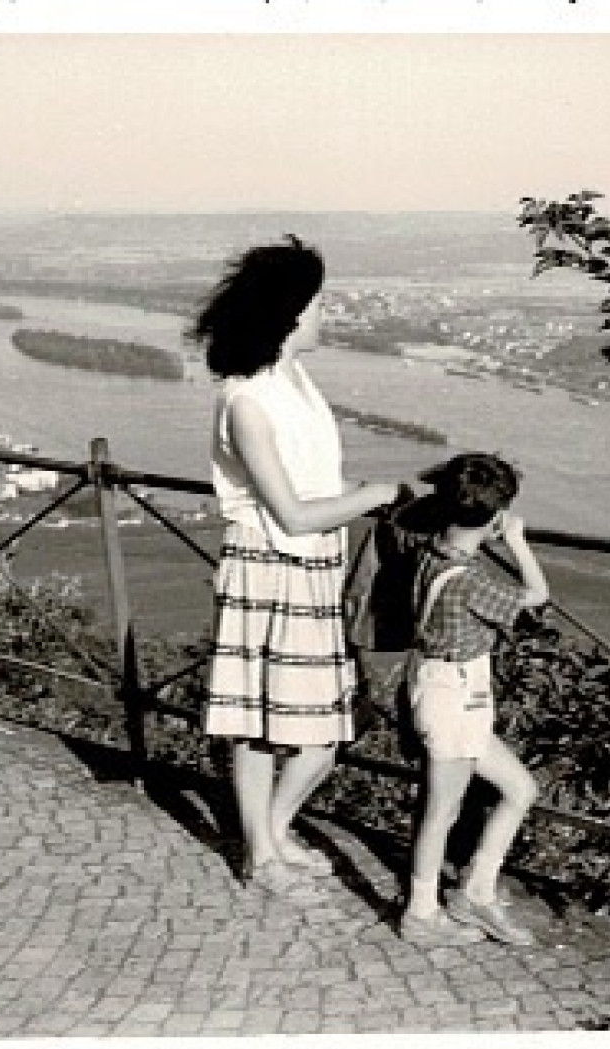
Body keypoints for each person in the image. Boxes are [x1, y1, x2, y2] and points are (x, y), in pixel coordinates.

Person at [190, 237, 402, 903]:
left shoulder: (292, 380)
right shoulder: (247, 399)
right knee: (260, 720)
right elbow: (291, 514)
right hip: (272, 566)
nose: (325, 313)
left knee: (318, 720)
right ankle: (261, 851)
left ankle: (272, 834)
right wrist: (377, 494)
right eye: (317, 303)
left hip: (310, 569)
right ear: (289, 314)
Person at [398, 453, 549, 946]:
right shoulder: (471, 581)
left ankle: (475, 890)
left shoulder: (431, 553)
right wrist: (518, 543)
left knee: (521, 789)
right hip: (456, 697)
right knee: (442, 811)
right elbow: (536, 595)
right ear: (495, 515)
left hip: (441, 688)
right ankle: (420, 914)